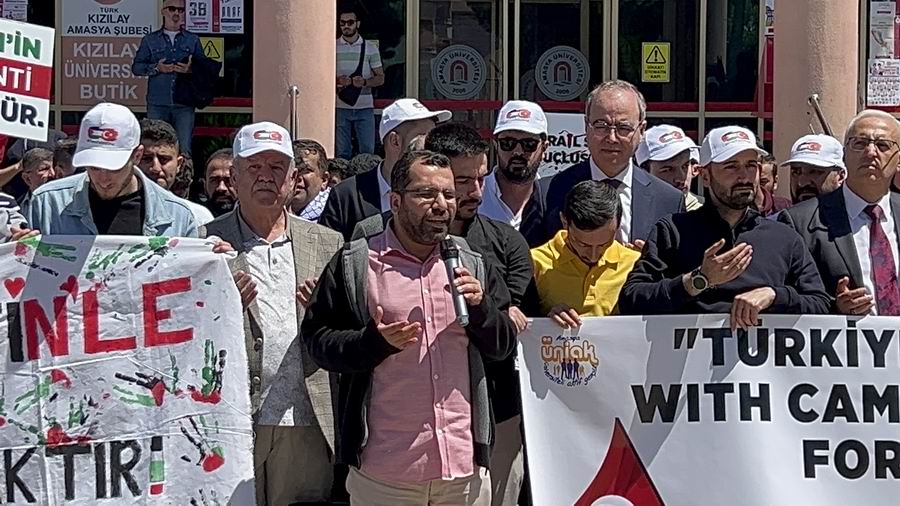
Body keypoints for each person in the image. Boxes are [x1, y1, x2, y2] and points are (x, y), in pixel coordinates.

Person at [302, 150, 517, 506]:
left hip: (462, 471)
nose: (441, 205)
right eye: (426, 194)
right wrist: (371, 344)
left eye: (449, 194)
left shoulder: (472, 264)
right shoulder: (356, 263)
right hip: (385, 473)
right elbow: (317, 342)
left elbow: (503, 348)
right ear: (396, 201)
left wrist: (482, 310)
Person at [202, 121, 344, 505]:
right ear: (234, 177)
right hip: (231, 422)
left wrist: (325, 311)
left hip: (305, 421)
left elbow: (348, 330)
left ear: (294, 178)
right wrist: (218, 304)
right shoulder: (204, 244)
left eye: (277, 167)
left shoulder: (328, 243)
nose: (266, 176)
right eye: (254, 167)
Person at [618, 126, 831, 325]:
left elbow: (820, 304)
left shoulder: (784, 237)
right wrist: (698, 280)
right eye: (731, 166)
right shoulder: (673, 230)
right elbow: (632, 299)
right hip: (690, 353)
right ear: (705, 176)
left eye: (751, 166)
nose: (744, 176)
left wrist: (774, 295)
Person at [423, 123, 532, 506]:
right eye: (463, 180)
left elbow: (516, 319)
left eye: (482, 178)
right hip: (414, 418)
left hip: (497, 409)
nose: (476, 191)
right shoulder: (383, 241)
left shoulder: (507, 241)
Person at [779, 110, 900, 316]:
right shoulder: (800, 221)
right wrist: (835, 307)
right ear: (844, 154)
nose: (871, 152)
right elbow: (786, 297)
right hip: (841, 336)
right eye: (860, 143)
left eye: (883, 145)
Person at [542, 81, 684, 249]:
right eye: (601, 126)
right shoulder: (548, 192)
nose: (612, 138)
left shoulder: (669, 200)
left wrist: (651, 260)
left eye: (623, 128)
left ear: (641, 130)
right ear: (586, 126)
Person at [26, 103, 198, 237]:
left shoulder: (178, 216)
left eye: (114, 168)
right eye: (94, 167)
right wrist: (17, 250)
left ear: (137, 156)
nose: (103, 179)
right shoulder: (47, 203)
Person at [320, 98, 451, 240]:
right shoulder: (347, 195)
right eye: (423, 136)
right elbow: (329, 247)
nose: (431, 145)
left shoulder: (445, 194)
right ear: (395, 141)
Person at [528, 180, 640, 328]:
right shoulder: (535, 263)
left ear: (618, 225)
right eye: (583, 244)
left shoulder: (635, 264)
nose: (593, 255)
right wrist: (544, 320)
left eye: (604, 244)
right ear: (564, 222)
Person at [132, 0, 204, 155]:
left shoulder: (193, 40)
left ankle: (183, 172)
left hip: (184, 103)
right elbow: (136, 68)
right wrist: (157, 68)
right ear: (163, 11)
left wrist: (190, 69)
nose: (176, 13)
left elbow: (204, 69)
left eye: (180, 10)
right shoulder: (150, 40)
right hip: (158, 103)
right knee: (155, 147)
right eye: (172, 9)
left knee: (184, 148)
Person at [479, 100, 550, 247]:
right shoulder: (475, 195)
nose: (518, 152)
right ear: (496, 145)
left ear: (544, 148)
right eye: (508, 143)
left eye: (528, 144)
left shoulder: (553, 199)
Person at [138, 119, 214, 225]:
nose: (156, 168)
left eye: (164, 159)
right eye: (147, 159)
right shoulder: (116, 211)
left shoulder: (197, 217)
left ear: (179, 164)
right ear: (134, 159)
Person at [335, 5, 385, 159]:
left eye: (350, 22)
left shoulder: (370, 48)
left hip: (364, 107)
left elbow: (380, 78)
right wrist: (337, 81)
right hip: (340, 106)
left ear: (358, 23)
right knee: (342, 153)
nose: (346, 26)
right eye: (342, 23)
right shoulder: (332, 47)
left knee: (367, 153)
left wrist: (364, 82)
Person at [635, 124, 704, 211]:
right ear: (644, 173)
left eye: (685, 166)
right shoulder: (628, 212)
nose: (680, 178)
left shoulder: (707, 214)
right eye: (668, 170)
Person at [779, 134, 846, 204]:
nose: (802, 183)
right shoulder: (781, 211)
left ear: (840, 177)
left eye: (815, 171)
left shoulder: (852, 211)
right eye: (796, 172)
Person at [290, 139, 331, 221]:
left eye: (305, 171)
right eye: (290, 170)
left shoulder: (335, 214)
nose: (296, 176)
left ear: (324, 180)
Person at [19, 148, 57, 212]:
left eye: (54, 167)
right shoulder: (17, 207)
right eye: (44, 169)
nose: (53, 174)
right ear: (27, 178)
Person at [204, 148, 236, 217]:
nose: (221, 187)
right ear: (205, 185)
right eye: (214, 180)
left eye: (228, 180)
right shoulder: (196, 218)